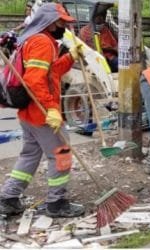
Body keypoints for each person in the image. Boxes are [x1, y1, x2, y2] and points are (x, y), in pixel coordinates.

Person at [0, 3, 85, 218]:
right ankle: (56, 203)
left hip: (28, 112)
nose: (65, 26)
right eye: (62, 22)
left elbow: (51, 73)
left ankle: (8, 198)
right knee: (61, 155)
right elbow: (35, 80)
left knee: (29, 155)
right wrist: (52, 110)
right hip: (42, 114)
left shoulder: (33, 39)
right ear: (51, 22)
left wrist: (70, 57)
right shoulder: (42, 42)